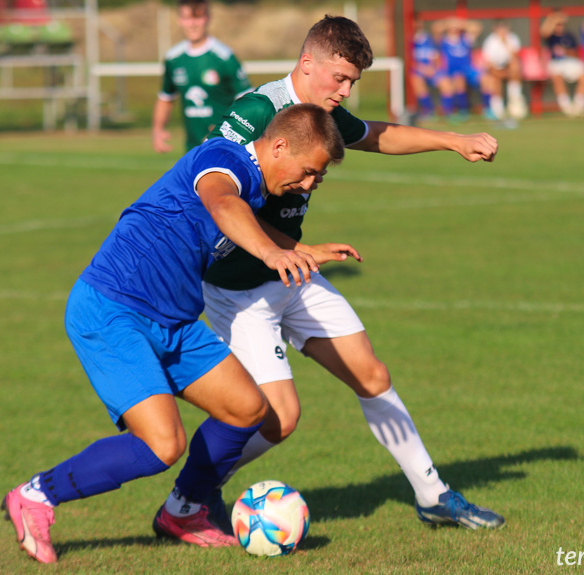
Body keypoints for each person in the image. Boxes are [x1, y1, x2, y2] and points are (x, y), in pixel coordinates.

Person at [158, 15, 504, 540]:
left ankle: (432, 495)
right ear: (307, 64)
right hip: (238, 289)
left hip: (294, 271)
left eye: (352, 83)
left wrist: (452, 140)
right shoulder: (257, 112)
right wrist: (287, 249)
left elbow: (376, 135)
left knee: (372, 374)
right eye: (338, 79)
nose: (345, 91)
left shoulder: (323, 113)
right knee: (277, 419)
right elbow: (215, 190)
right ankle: (188, 497)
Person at [0, 104, 349, 563]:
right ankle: (36, 496)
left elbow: (244, 216)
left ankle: (183, 512)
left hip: (174, 321)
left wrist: (301, 248)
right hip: (113, 309)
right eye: (307, 173)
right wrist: (271, 254)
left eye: (316, 179)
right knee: (161, 444)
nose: (307, 185)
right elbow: (223, 202)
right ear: (279, 145)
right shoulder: (222, 158)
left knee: (247, 410)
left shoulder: (257, 191)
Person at [152, 0, 252, 153]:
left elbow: (247, 101)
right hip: (192, 149)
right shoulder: (174, 58)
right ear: (179, 20)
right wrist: (158, 130)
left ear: (208, 18)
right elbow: (166, 97)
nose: (192, 24)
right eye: (187, 18)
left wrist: (227, 127)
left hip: (225, 146)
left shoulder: (224, 57)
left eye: (198, 17)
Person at [540, 9, 584, 116]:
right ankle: (566, 106)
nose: (559, 26)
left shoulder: (569, 35)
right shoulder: (551, 36)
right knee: (557, 77)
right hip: (557, 63)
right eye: (558, 24)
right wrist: (552, 18)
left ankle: (579, 105)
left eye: (561, 24)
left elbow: (576, 53)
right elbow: (544, 31)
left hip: (571, 62)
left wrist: (567, 52)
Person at [434, 16, 486, 122]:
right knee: (452, 82)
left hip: (467, 70)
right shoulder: (443, 40)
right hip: (449, 71)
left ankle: (488, 109)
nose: (454, 29)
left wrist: (461, 24)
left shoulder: (465, 38)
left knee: (487, 79)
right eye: (452, 27)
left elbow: (477, 27)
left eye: (456, 27)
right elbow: (436, 28)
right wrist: (448, 23)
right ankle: (453, 112)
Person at [480, 19, 528, 120]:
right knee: (494, 79)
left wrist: (505, 42)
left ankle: (515, 103)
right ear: (495, 29)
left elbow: (515, 56)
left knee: (515, 66)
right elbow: (489, 64)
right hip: (495, 69)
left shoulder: (512, 38)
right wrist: (500, 73)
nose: (503, 30)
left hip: (508, 68)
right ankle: (498, 109)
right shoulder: (490, 41)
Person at [410, 19, 454, 121]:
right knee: (416, 80)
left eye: (418, 21)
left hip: (433, 70)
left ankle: (448, 112)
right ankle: (428, 111)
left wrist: (434, 69)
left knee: (446, 82)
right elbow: (409, 60)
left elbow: (437, 57)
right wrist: (421, 68)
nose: (417, 23)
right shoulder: (409, 40)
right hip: (418, 70)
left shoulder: (429, 38)